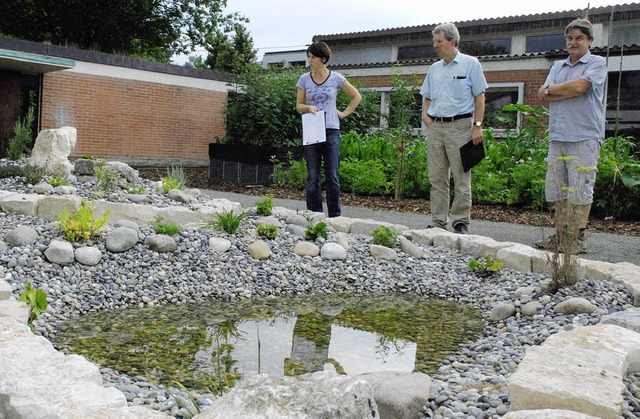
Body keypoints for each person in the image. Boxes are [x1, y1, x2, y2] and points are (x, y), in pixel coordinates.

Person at [535, 18, 607, 254]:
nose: (573, 42)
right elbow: (542, 95)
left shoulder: (597, 63)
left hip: (584, 136)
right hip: (558, 136)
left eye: (579, 38)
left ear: (589, 41)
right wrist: (561, 91)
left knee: (580, 188)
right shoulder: (557, 66)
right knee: (558, 189)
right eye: (570, 38)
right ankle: (560, 236)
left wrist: (554, 90)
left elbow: (579, 88)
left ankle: (576, 239)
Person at [420, 23, 488, 234]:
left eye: (439, 41)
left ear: (452, 41)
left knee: (461, 176)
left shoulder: (470, 64)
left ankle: (460, 221)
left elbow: (480, 96)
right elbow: (427, 96)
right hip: (436, 127)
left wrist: (477, 126)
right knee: (437, 178)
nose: (435, 45)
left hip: (460, 126)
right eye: (434, 41)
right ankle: (438, 222)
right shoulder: (434, 69)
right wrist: (425, 115)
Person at [296, 41, 361, 218]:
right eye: (308, 57)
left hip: (331, 130)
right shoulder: (304, 79)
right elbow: (298, 105)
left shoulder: (336, 78)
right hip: (312, 130)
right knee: (312, 176)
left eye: (313, 57)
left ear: (323, 59)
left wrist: (343, 113)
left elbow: (356, 96)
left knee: (332, 174)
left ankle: (335, 215)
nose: (310, 60)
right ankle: (314, 214)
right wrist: (308, 108)